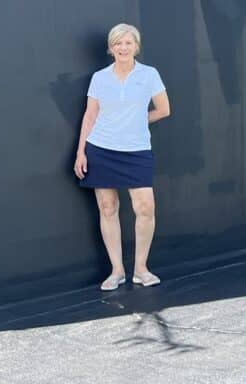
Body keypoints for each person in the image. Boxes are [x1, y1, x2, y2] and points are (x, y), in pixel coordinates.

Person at [74, 23, 171, 290]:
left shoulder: (149, 75)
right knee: (108, 208)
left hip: (137, 150)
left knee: (145, 208)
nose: (123, 48)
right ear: (111, 48)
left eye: (128, 43)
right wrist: (81, 152)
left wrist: (137, 121)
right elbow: (90, 115)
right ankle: (116, 271)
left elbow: (163, 109)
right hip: (101, 149)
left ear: (136, 46)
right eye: (118, 43)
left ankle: (141, 269)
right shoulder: (100, 78)